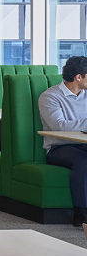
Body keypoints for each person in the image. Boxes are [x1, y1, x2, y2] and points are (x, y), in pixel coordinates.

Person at [40, 55, 87, 234]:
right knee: (83, 160)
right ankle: (81, 212)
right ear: (78, 77)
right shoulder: (50, 97)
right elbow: (58, 126)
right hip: (59, 148)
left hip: (83, 143)